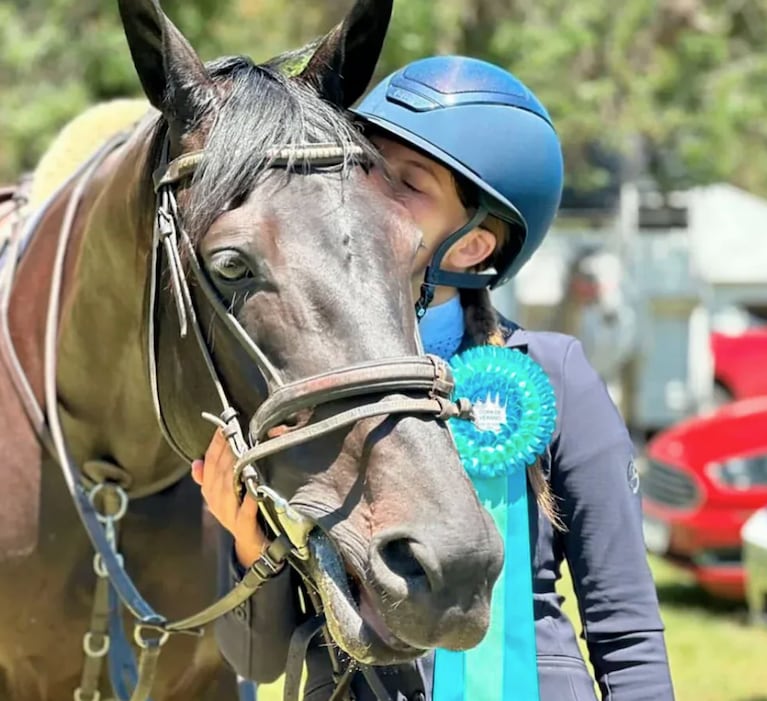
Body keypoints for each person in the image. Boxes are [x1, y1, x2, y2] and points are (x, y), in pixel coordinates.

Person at [193, 56, 675, 701]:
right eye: (366, 172)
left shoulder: (552, 375)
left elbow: (627, 634)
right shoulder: (300, 376)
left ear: (474, 245)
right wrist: (245, 537)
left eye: (407, 183)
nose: (368, 194)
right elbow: (257, 659)